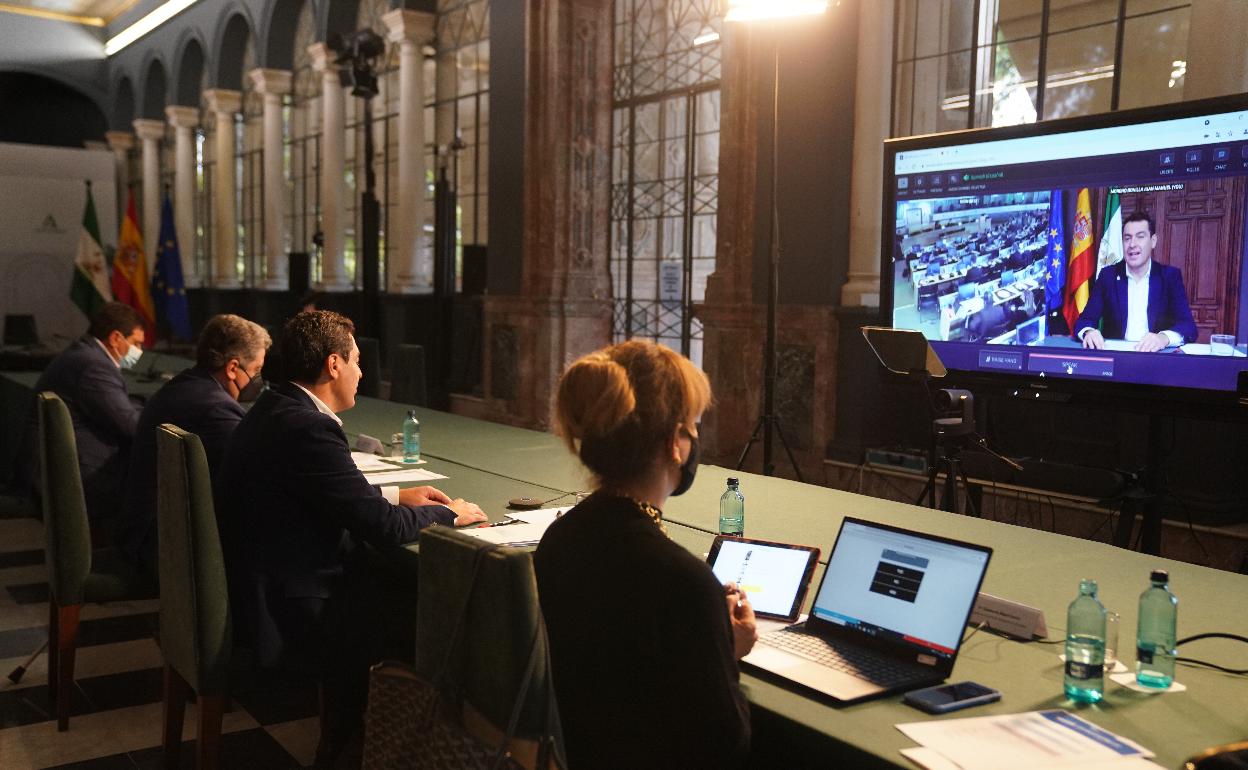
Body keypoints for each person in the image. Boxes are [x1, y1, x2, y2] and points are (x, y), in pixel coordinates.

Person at [215, 309, 486, 759]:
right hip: (295, 602)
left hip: (263, 577)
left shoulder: (280, 404)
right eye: (357, 361)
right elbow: (381, 528)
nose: (362, 372)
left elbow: (325, 490)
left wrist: (400, 494)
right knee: (427, 609)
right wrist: (451, 515)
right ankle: (392, 748)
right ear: (333, 364)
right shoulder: (309, 426)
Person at [534, 340, 756, 770]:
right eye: (692, 425)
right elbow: (725, 743)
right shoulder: (685, 582)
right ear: (675, 442)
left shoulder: (560, 537)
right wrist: (725, 649)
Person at [116, 314, 271, 578]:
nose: (258, 379)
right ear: (233, 368)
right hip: (166, 546)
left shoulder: (187, 384)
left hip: (147, 530)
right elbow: (255, 473)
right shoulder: (215, 407)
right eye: (256, 371)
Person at [28, 302, 146, 525]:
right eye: (136, 344)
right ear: (115, 338)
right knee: (156, 481)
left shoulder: (83, 354)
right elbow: (130, 426)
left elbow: (119, 407)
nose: (139, 352)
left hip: (59, 466)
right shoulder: (94, 366)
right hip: (78, 475)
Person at [1074, 211, 1197, 352]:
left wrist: (1163, 338)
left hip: (1156, 357)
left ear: (1153, 241)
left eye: (1140, 237)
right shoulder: (1108, 276)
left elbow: (1188, 327)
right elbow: (1084, 320)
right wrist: (1089, 332)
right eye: (1127, 238)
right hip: (1117, 358)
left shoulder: (1169, 276)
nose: (1132, 244)